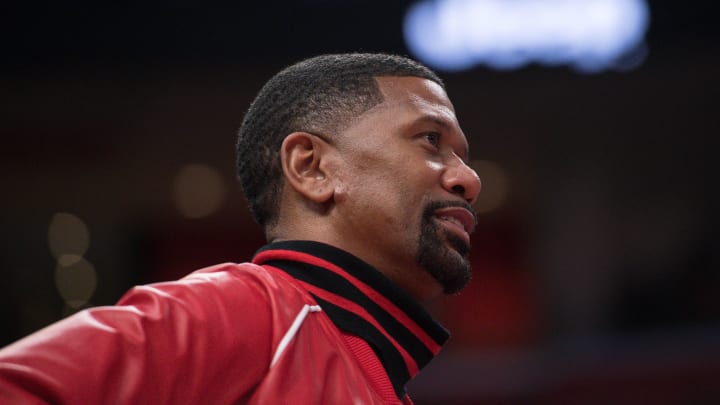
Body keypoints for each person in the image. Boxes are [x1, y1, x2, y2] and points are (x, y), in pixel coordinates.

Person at [0, 53, 481, 404]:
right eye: (430, 140)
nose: (468, 178)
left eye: (461, 154)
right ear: (312, 168)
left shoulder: (372, 370)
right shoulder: (242, 312)